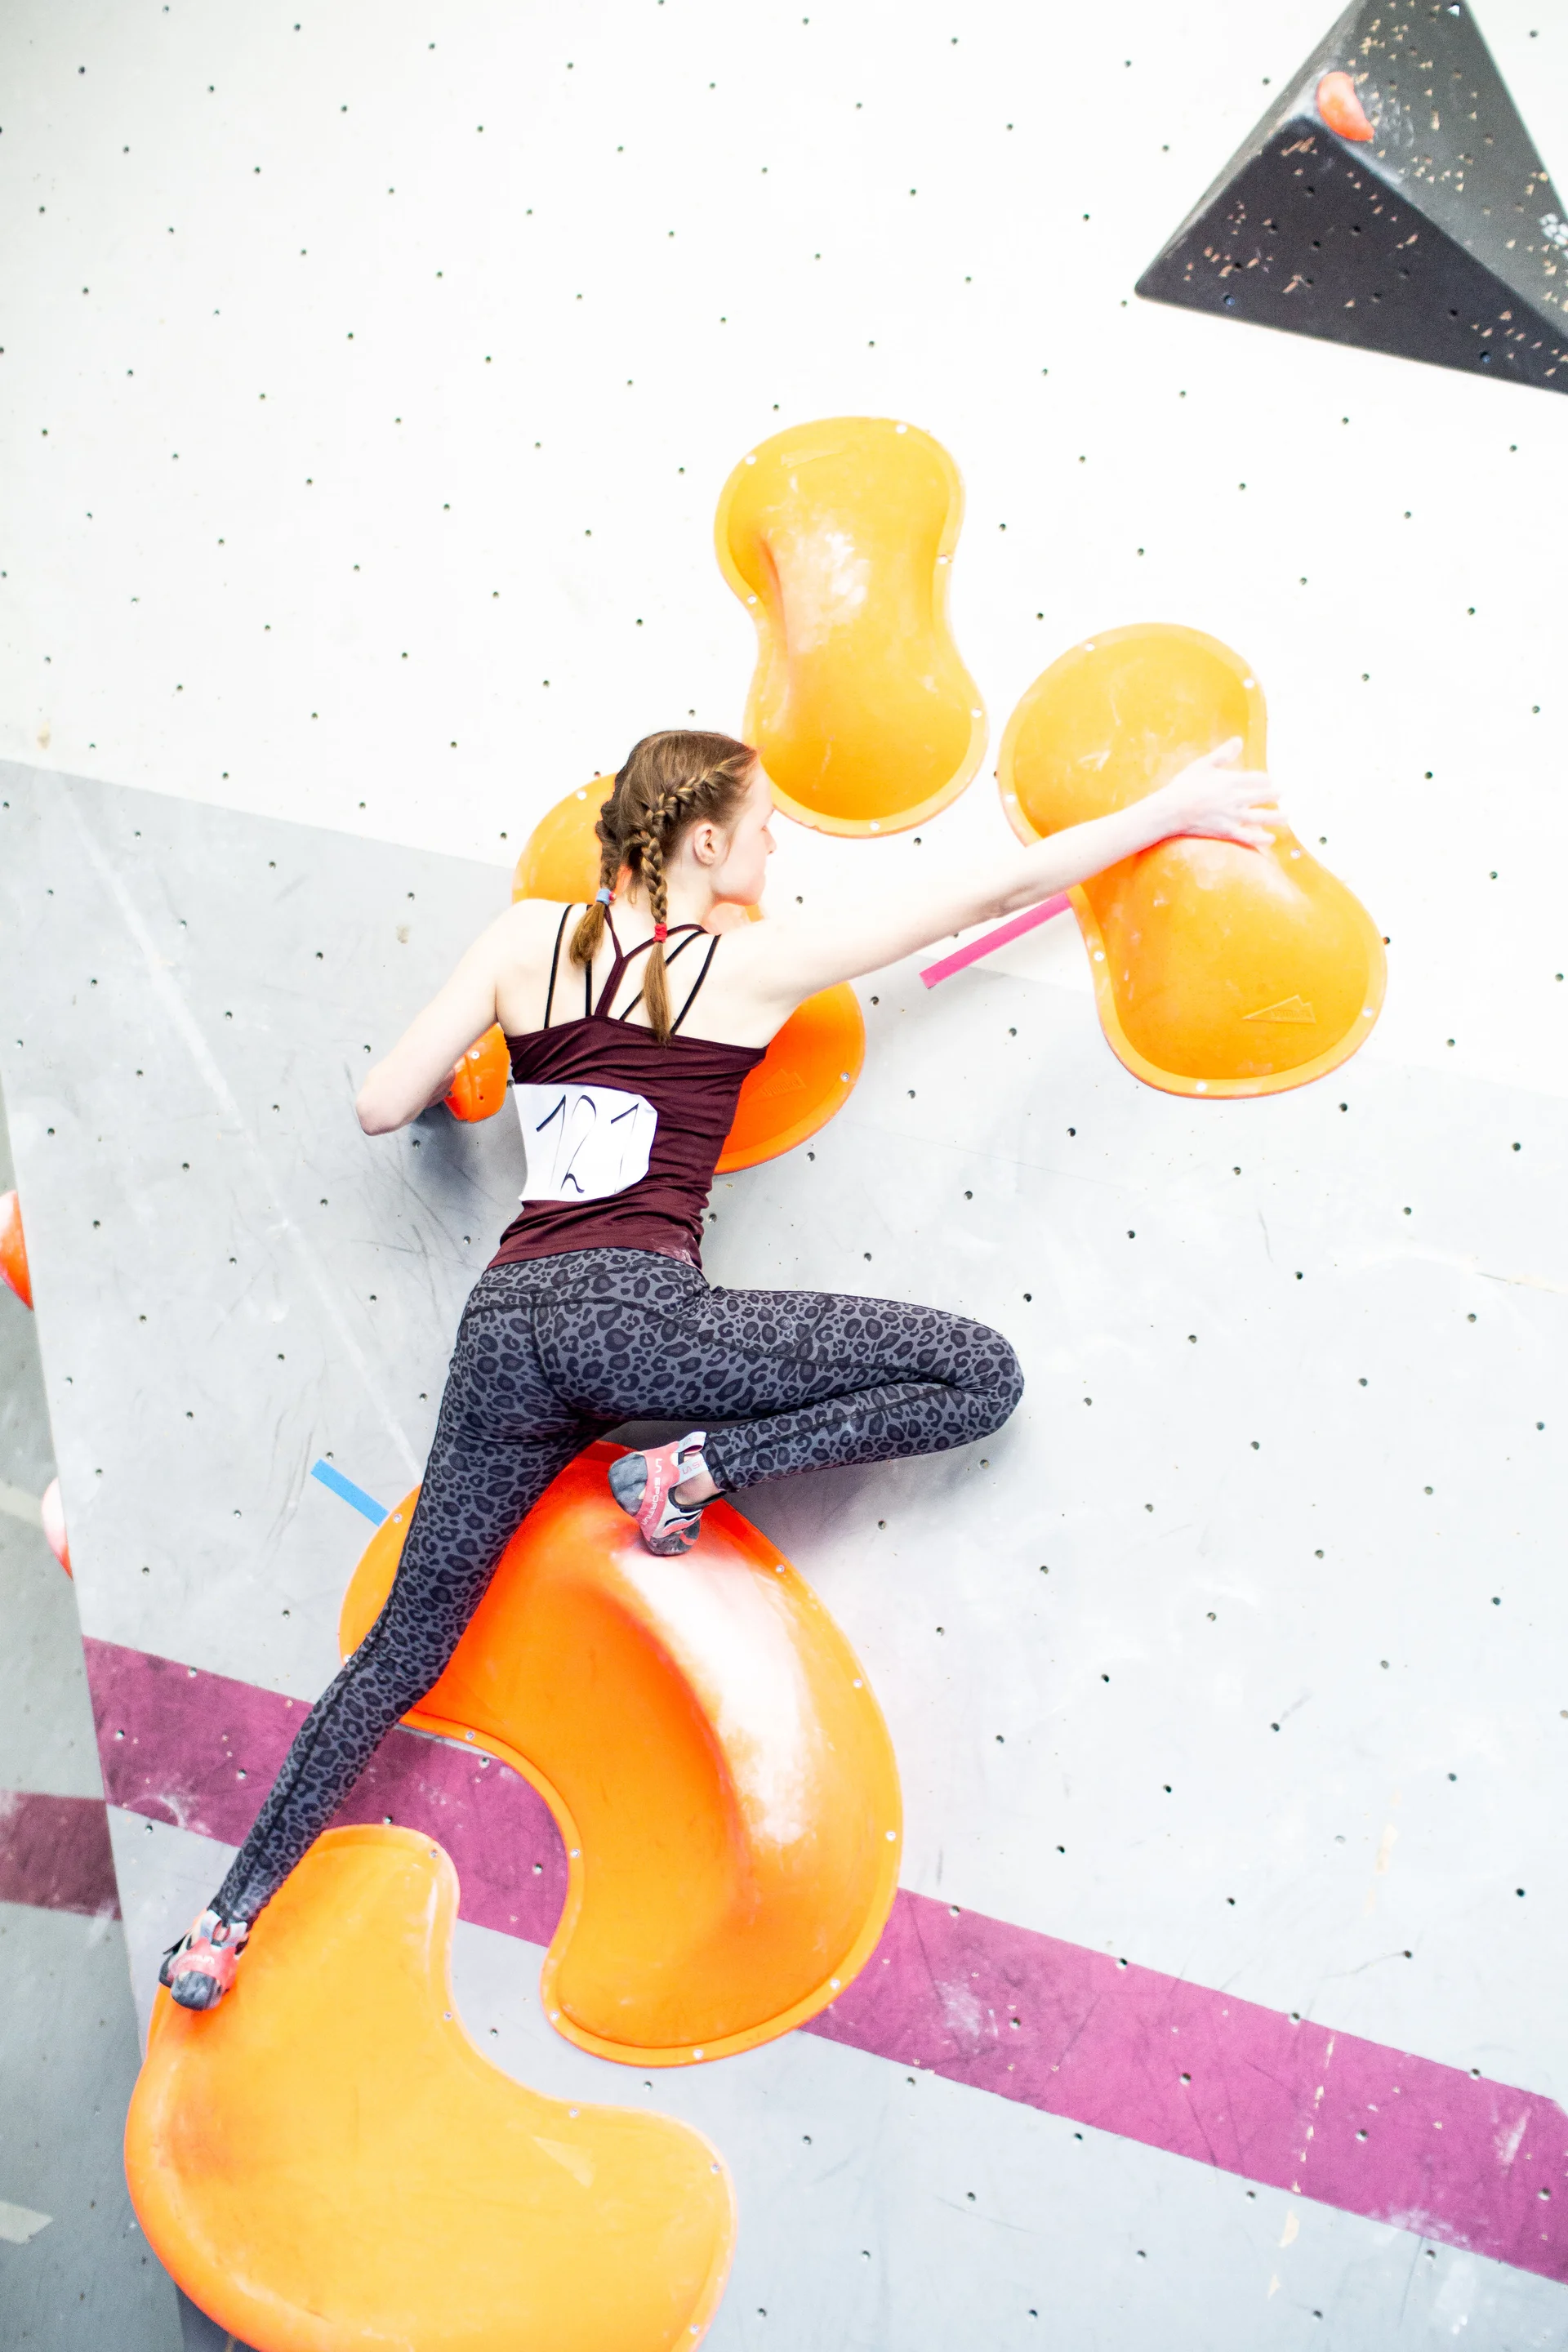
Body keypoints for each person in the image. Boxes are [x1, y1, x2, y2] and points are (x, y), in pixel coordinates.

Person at [159, 724, 1274, 2008]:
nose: (772, 846)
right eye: (757, 827)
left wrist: (470, 1091)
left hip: (508, 1325)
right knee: (978, 1374)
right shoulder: (744, 969)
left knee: (402, 1652)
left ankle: (224, 1924)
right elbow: (992, 892)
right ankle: (691, 1467)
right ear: (701, 841)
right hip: (644, 1321)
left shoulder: (530, 940)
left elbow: (376, 1102)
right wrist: (1169, 810)